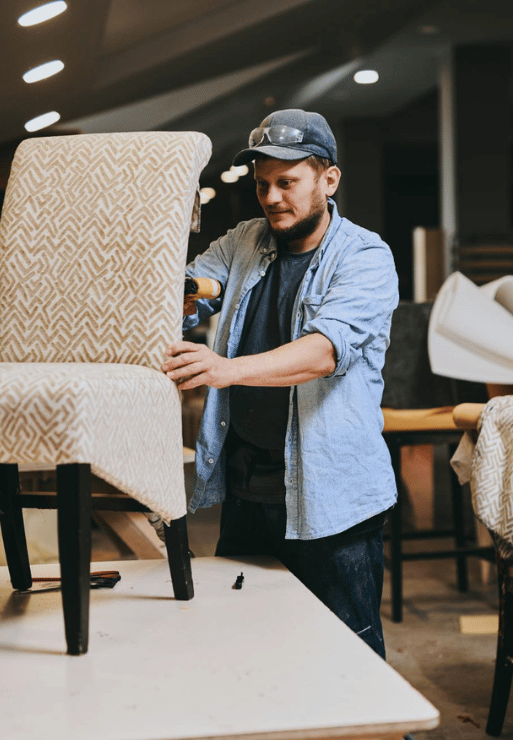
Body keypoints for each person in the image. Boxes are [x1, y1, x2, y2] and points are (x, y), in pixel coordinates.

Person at [161, 109, 398, 657]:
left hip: (332, 499)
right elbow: (200, 289)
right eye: (262, 184)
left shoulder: (364, 256)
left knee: (346, 657)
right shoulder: (246, 240)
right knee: (248, 650)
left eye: (287, 182)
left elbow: (323, 353)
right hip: (250, 489)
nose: (270, 198)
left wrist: (225, 369)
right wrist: (171, 283)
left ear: (328, 179)